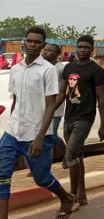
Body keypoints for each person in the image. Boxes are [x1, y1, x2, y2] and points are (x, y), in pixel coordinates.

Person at [0, 28, 78, 219]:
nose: (33, 44)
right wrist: (12, 121)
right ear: (24, 43)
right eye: (29, 41)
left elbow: (51, 105)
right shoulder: (16, 69)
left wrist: (40, 137)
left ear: (42, 45)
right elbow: (16, 100)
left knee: (41, 178)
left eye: (37, 42)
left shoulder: (48, 70)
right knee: (2, 175)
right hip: (12, 132)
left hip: (36, 133)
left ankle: (67, 198)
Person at [56, 35, 104, 208]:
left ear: (91, 50)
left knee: (70, 155)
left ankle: (70, 196)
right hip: (69, 116)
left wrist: (103, 124)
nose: (82, 50)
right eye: (80, 47)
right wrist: (49, 111)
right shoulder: (68, 67)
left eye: (86, 47)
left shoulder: (96, 70)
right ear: (75, 48)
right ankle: (82, 196)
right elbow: (63, 93)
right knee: (77, 156)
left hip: (85, 118)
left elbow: (101, 98)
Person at [41, 43, 67, 160]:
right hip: (41, 108)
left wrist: (52, 108)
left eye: (49, 50)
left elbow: (64, 91)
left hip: (55, 109)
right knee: (43, 137)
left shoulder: (61, 69)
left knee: (51, 136)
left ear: (57, 54)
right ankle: (42, 166)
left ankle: (68, 152)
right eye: (45, 50)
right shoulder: (41, 67)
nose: (45, 52)